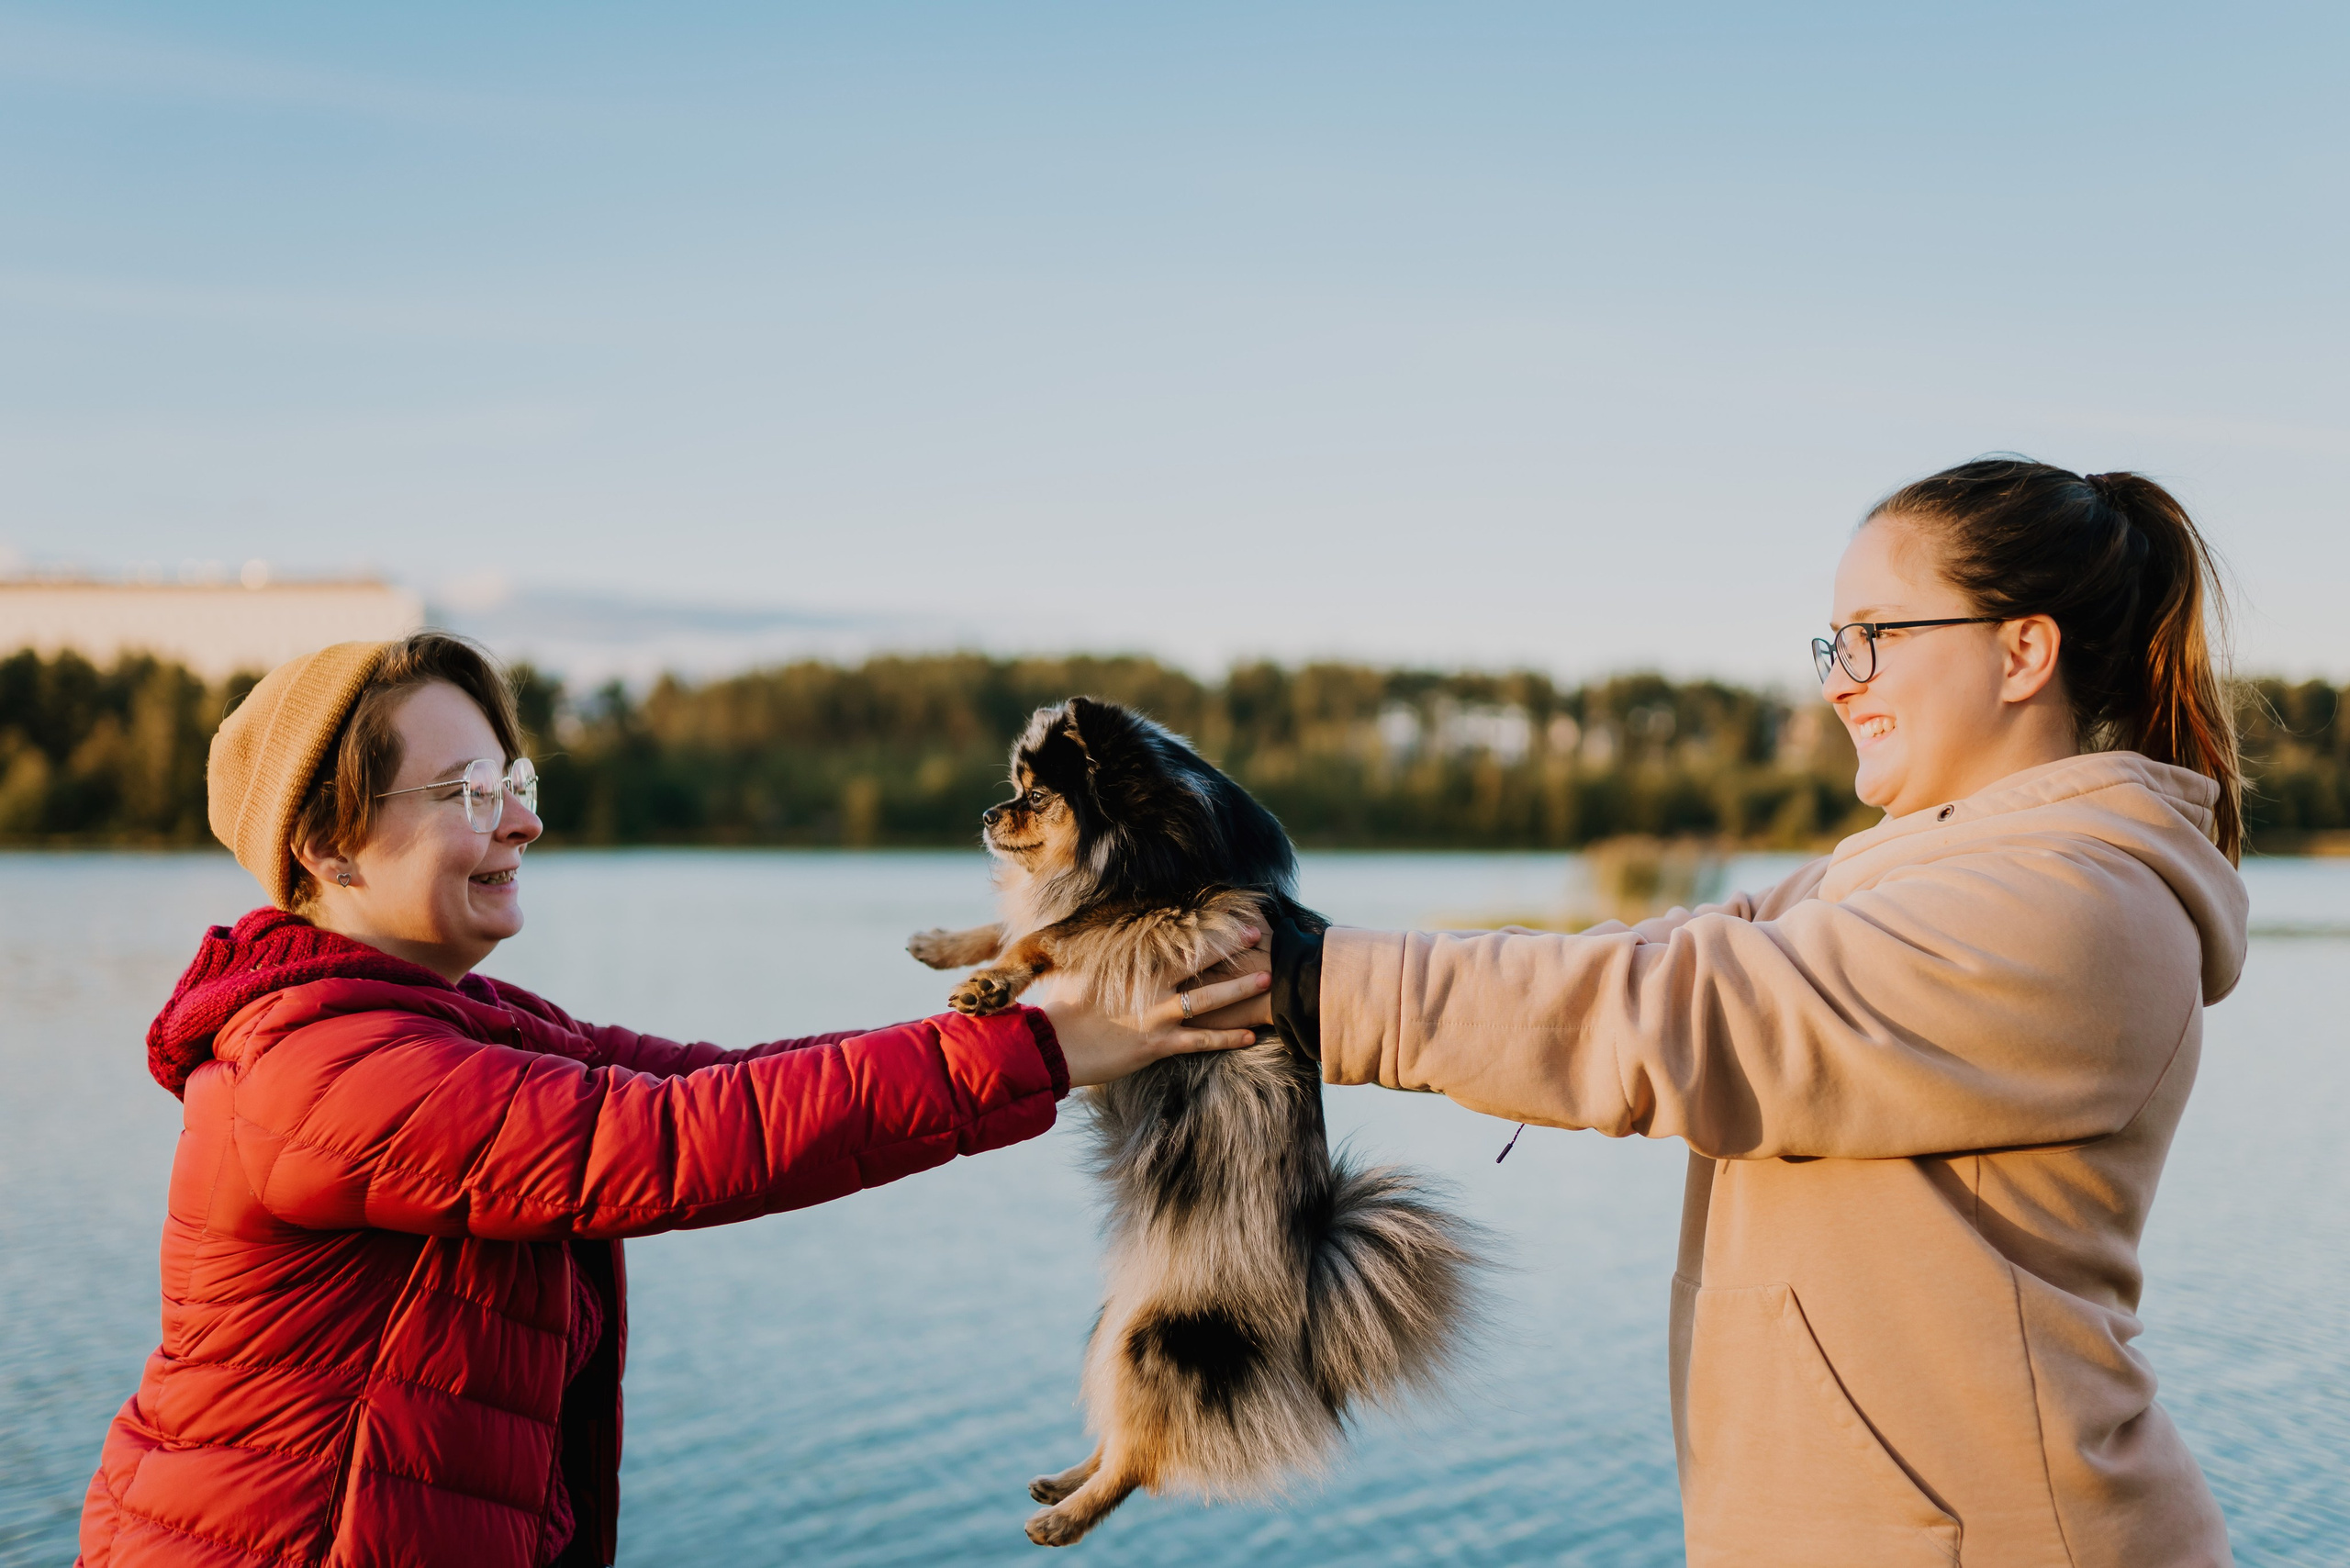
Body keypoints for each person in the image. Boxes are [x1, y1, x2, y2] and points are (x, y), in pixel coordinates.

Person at [76, 632, 1268, 1568]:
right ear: (329, 846)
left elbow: (716, 1083)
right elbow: (667, 1145)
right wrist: (1044, 1050)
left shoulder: (457, 1026)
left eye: (517, 779)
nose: (525, 820)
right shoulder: (317, 1071)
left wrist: (1036, 1019)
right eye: (468, 790)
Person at [1257, 458, 2251, 1567]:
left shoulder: (2078, 907)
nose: (1839, 680)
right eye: (1833, 642)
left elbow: (1690, 1012)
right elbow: (1654, 952)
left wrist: (1304, 981)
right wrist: (1220, 969)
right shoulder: (1893, 879)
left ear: (2022, 650)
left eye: (1875, 633)